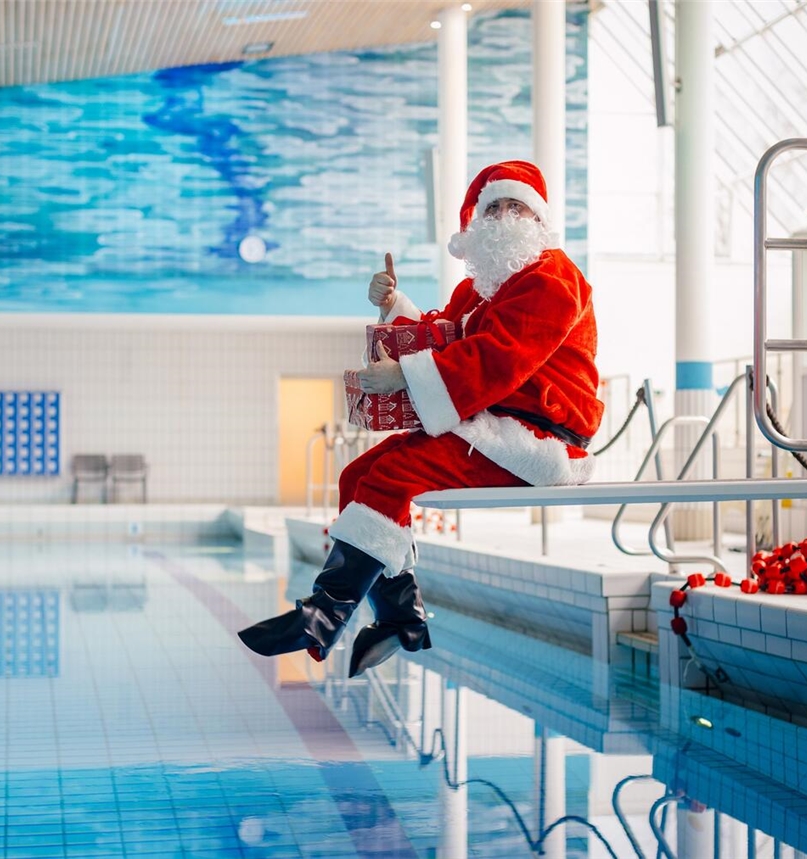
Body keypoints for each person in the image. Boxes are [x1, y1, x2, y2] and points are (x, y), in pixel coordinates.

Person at [239, 160, 603, 678]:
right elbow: (446, 333)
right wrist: (395, 306)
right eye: (491, 207)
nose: (500, 217)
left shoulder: (553, 278)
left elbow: (498, 357)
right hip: (490, 424)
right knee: (354, 475)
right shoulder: (484, 287)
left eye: (512, 206)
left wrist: (405, 377)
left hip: (537, 438)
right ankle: (400, 617)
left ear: (536, 218)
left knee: (393, 477)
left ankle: (322, 618)